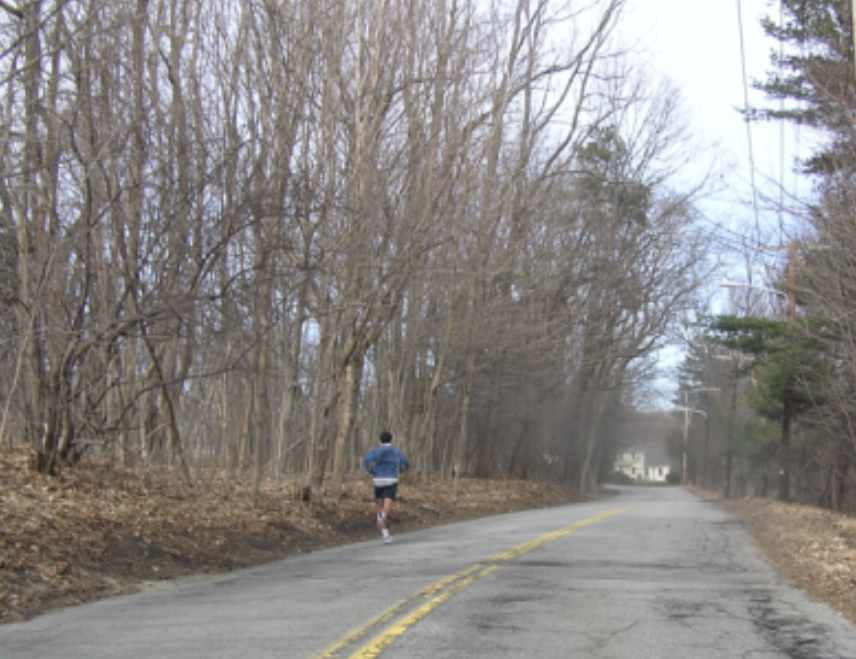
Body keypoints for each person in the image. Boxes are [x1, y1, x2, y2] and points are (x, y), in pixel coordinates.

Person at [364, 431, 409, 544]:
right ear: (391, 440)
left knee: (381, 506)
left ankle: (385, 534)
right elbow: (405, 464)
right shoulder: (395, 451)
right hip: (390, 479)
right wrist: (400, 470)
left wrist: (372, 471)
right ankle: (382, 517)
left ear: (380, 440)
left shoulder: (375, 452)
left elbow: (367, 463)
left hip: (378, 480)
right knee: (386, 508)